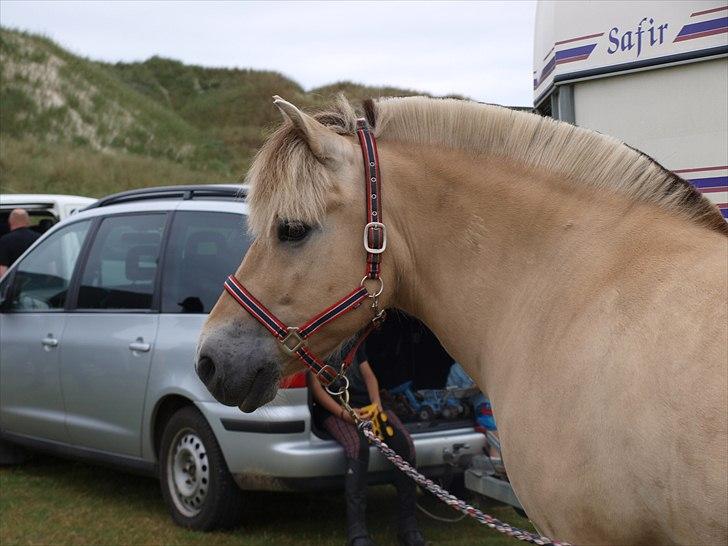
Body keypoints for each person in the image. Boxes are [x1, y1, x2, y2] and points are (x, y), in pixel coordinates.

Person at [309, 335, 426, 546]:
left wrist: (377, 406)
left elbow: (369, 376)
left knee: (404, 445)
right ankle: (358, 534)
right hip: (335, 410)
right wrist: (346, 414)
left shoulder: (352, 341)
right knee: (357, 447)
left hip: (367, 404)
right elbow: (316, 389)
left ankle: (409, 529)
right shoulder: (314, 343)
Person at [0, 209, 40, 276]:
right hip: (38, 280)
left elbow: (2, 268)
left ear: (10, 221)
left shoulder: (5, 240)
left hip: (17, 283)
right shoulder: (40, 238)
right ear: (28, 221)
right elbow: (50, 264)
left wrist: (6, 285)